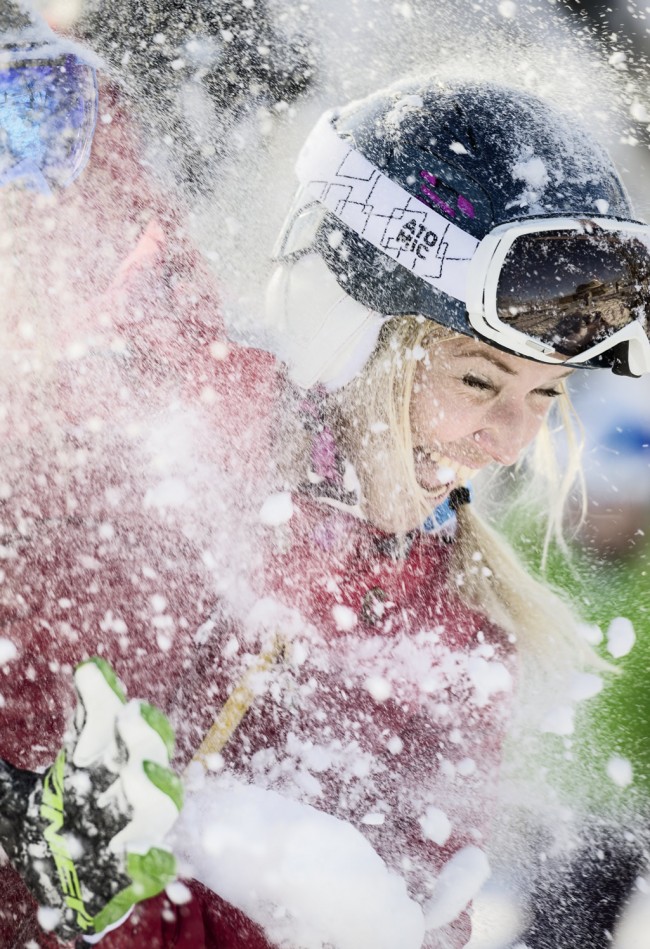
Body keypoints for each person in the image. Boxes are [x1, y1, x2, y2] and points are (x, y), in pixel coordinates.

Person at [1, 75, 650, 949]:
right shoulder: (166, 455)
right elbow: (112, 267)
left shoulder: (453, 634)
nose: (508, 440)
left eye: (546, 393)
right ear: (348, 338)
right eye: (477, 379)